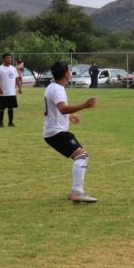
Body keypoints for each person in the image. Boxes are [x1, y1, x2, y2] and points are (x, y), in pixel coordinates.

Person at [43, 61, 98, 203]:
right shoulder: (57, 89)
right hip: (56, 133)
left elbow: (58, 109)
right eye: (69, 70)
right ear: (65, 73)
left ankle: (76, 191)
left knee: (81, 156)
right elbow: (62, 108)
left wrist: (70, 116)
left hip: (54, 132)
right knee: (82, 156)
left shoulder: (53, 86)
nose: (71, 72)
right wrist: (84, 105)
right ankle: (77, 192)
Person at [0, 53, 22, 127]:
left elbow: (17, 79)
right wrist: (0, 89)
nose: (9, 59)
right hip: (3, 93)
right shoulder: (0, 68)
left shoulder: (13, 68)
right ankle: (1, 123)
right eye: (7, 58)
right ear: (3, 59)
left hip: (12, 93)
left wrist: (20, 88)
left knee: (11, 108)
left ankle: (10, 122)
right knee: (1, 108)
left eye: (10, 58)